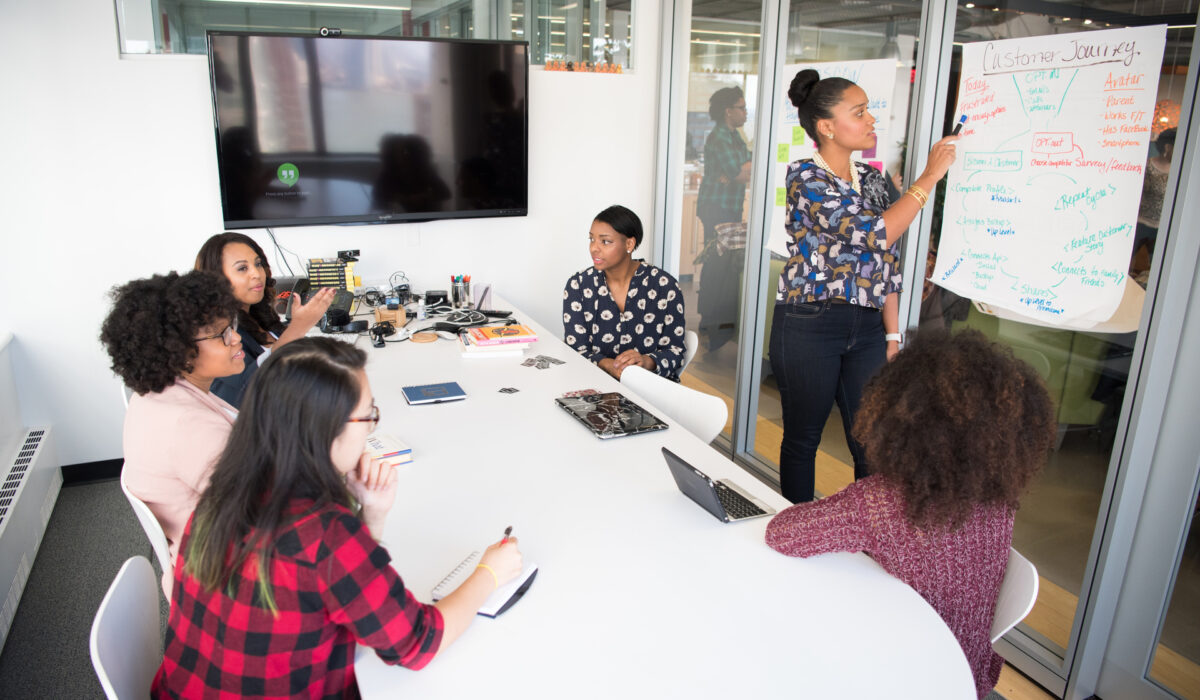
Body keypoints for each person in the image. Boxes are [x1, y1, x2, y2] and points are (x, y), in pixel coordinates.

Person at [153, 338, 525, 697]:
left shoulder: (224, 492)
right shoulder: (325, 534)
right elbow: (417, 643)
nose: (370, 430)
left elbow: (334, 592)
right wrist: (489, 573)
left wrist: (371, 514)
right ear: (328, 430)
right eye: (369, 416)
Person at [764, 329, 1056, 699]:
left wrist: (848, 503)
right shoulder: (997, 499)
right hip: (967, 677)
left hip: (896, 678)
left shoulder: (881, 502)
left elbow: (782, 534)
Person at [770, 68, 959, 503]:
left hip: (869, 326)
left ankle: (870, 537)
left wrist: (892, 334)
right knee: (804, 438)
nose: (871, 120)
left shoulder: (872, 179)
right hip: (810, 322)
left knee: (872, 443)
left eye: (869, 111)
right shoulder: (806, 178)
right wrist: (929, 176)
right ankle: (796, 529)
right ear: (827, 127)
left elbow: (885, 262)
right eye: (859, 112)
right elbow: (876, 234)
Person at [99, 271, 245, 594]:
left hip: (200, 559)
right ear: (178, 350)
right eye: (222, 335)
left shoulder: (154, 395)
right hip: (227, 584)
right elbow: (264, 514)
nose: (236, 338)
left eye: (231, 326)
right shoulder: (188, 427)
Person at [195, 232, 334, 407]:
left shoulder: (262, 320)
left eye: (258, 264)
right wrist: (298, 328)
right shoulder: (218, 337)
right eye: (242, 268)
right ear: (216, 279)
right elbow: (249, 390)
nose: (256, 273)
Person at [563, 205, 687, 381]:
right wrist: (608, 365)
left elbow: (676, 352)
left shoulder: (664, 286)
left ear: (629, 243)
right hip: (595, 387)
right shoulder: (578, 286)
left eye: (605, 241)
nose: (594, 248)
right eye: (592, 239)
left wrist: (646, 361)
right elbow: (575, 351)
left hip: (650, 391)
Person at [696, 86, 752, 350]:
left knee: (719, 261)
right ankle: (710, 320)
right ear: (728, 111)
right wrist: (737, 171)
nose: (745, 112)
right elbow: (740, 172)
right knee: (716, 261)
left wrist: (739, 171)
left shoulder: (734, 136)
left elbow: (744, 167)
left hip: (728, 204)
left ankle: (713, 321)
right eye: (741, 107)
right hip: (716, 206)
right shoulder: (720, 137)